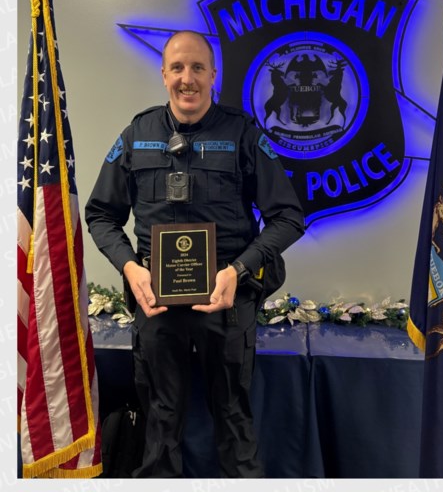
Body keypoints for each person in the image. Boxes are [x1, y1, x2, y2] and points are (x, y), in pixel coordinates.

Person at [85, 30, 305, 477]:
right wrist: (130, 268)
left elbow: (288, 217)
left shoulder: (243, 134)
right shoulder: (137, 133)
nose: (188, 79)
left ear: (213, 75)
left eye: (198, 68)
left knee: (234, 422)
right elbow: (100, 215)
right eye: (179, 68)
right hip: (157, 305)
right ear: (164, 74)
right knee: (160, 424)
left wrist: (238, 270)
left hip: (227, 303)